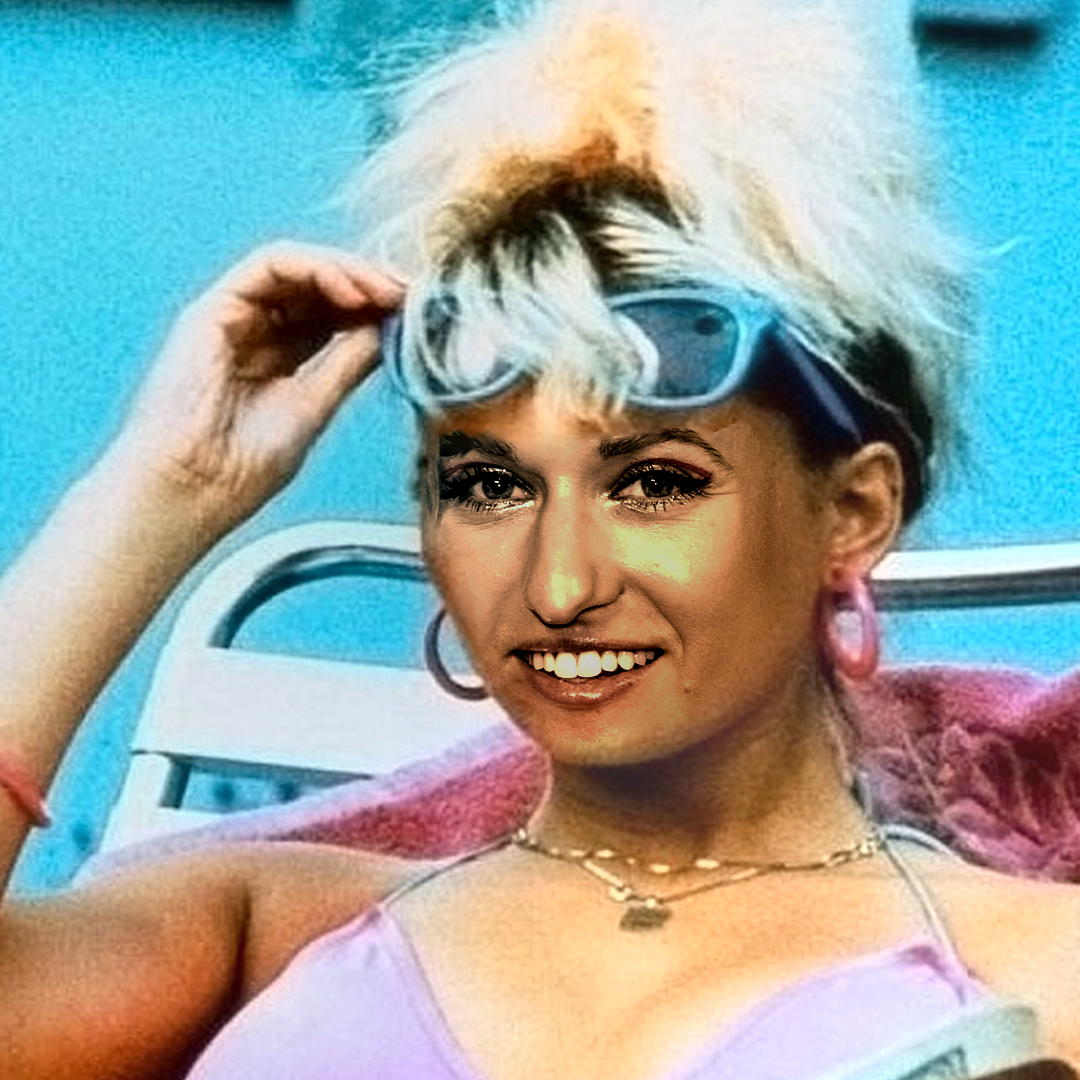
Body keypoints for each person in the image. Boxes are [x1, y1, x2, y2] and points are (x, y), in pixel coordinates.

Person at [1, 0, 1078, 1077]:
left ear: (853, 511)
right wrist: (164, 484)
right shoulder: (263, 928)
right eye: (488, 487)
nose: (559, 586)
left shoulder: (1034, 971)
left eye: (654, 484)